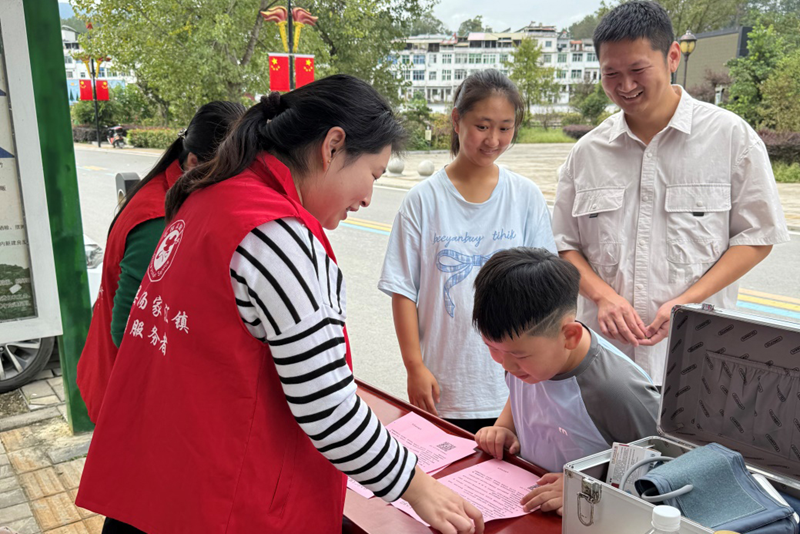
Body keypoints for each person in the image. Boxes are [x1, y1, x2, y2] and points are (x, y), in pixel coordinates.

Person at [76, 75, 484, 534]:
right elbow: (326, 409)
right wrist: (417, 486)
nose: (368, 198)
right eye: (372, 175)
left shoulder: (209, 197)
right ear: (332, 146)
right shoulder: (277, 237)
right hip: (218, 506)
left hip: (157, 490)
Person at [552, 0, 790, 385]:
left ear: (673, 57)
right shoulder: (587, 153)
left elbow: (757, 237)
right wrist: (602, 296)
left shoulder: (731, 138)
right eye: (611, 73)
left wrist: (685, 302)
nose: (625, 86)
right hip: (605, 361)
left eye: (638, 70)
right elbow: (564, 244)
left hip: (697, 354)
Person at [379, 69, 556, 434]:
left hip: (513, 388)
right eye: (482, 126)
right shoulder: (423, 201)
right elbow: (403, 291)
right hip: (443, 387)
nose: (493, 139)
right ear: (457, 120)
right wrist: (414, 366)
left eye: (505, 128)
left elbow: (544, 294)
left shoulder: (525, 197)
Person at [78, 101, 246, 423]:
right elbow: (128, 329)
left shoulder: (172, 193)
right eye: (231, 174)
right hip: (127, 393)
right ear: (193, 162)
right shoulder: (159, 219)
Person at [472, 247, 660, 516]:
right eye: (491, 348)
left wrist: (590, 488)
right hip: (530, 497)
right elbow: (520, 394)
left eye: (518, 355)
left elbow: (664, 469)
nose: (505, 365)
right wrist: (503, 427)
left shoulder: (618, 390)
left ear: (570, 336)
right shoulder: (526, 361)